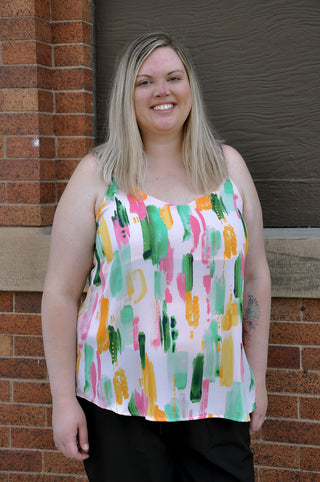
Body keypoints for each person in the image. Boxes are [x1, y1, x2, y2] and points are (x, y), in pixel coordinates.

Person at [42, 32, 271, 481]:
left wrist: (257, 378)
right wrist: (63, 399)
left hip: (218, 397)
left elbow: (256, 277)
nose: (161, 91)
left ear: (190, 88)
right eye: (145, 82)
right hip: (118, 402)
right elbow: (60, 292)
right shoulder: (97, 175)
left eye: (173, 77)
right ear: (127, 95)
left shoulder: (228, 169)